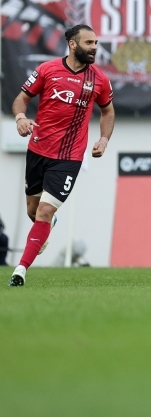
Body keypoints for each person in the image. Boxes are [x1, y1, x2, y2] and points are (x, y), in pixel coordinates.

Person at [10, 25, 115, 287]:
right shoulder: (47, 70)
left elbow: (108, 112)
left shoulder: (99, 80)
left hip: (69, 157)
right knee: (34, 211)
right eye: (89, 42)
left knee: (44, 211)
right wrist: (21, 118)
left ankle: (20, 270)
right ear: (72, 44)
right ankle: (48, 223)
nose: (94, 47)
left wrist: (103, 139)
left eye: (96, 43)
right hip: (37, 149)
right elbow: (21, 99)